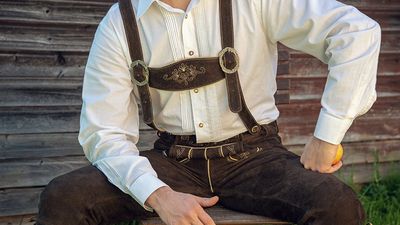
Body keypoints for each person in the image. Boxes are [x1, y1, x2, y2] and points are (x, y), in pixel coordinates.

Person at [37, 0, 381, 224]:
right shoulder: (120, 23)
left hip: (256, 158)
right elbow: (105, 133)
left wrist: (327, 135)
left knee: (338, 206)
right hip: (172, 163)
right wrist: (158, 195)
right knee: (63, 197)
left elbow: (356, 32)